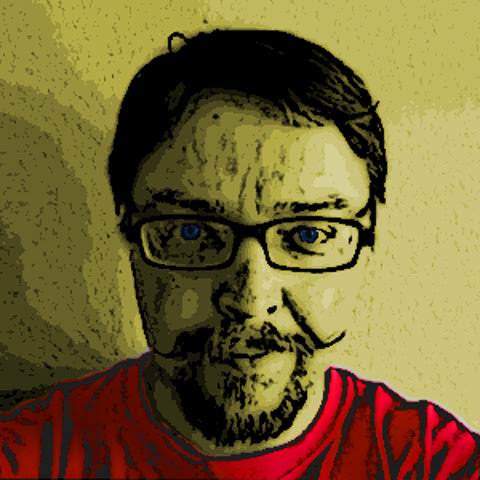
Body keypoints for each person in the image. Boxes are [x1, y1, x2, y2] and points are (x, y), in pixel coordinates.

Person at [0, 29, 479, 480]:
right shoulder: (26, 458)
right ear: (129, 236)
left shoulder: (434, 464)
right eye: (190, 232)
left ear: (366, 248)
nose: (251, 300)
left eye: (309, 234)